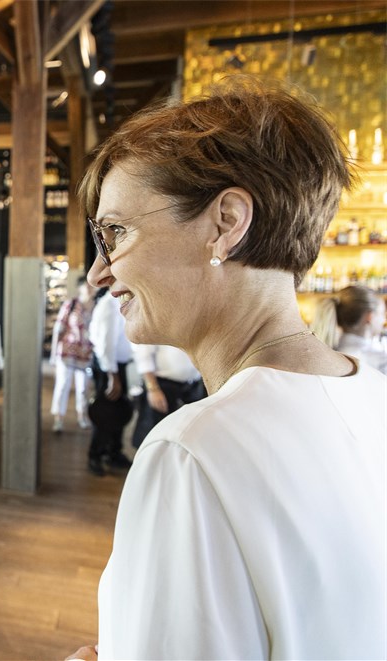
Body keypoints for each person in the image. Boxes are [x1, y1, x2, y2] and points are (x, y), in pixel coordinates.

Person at [65, 77, 386, 660]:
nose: (98, 273)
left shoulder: (192, 452)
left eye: (115, 233)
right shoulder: (373, 394)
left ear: (226, 222)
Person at [85, 287, 133, 476]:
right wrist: (113, 376)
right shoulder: (109, 305)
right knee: (105, 413)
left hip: (116, 366)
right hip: (109, 368)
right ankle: (95, 455)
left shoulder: (116, 303)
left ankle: (113, 452)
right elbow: (106, 344)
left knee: (118, 412)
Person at [129, 343, 206, 448]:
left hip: (194, 385)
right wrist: (153, 389)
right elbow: (143, 355)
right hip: (162, 386)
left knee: (188, 433)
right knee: (153, 433)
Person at [49, 276, 97, 432]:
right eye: (86, 286)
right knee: (63, 385)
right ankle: (58, 419)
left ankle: (82, 416)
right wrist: (54, 354)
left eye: (91, 286)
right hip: (67, 352)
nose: (89, 289)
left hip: (86, 353)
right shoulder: (71, 304)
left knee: (83, 388)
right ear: (80, 287)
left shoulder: (97, 306)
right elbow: (59, 328)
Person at [310, 284, 387, 374]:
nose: (383, 319)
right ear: (370, 317)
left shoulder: (325, 353)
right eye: (382, 313)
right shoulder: (379, 361)